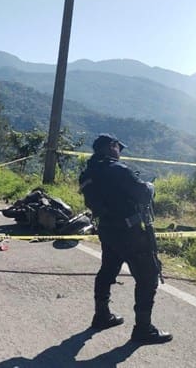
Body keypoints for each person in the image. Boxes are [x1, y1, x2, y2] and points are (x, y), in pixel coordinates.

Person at [79, 133, 172, 344]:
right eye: (118, 148)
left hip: (106, 230)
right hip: (129, 232)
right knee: (148, 277)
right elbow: (142, 194)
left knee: (108, 270)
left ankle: (101, 315)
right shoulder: (119, 170)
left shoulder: (88, 173)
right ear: (112, 146)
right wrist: (150, 186)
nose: (119, 152)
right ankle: (143, 329)